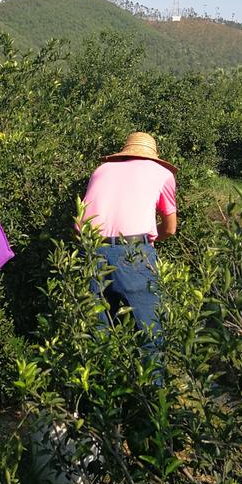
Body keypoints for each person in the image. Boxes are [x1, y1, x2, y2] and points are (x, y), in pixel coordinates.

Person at [81, 132, 178, 369]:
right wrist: (151, 241)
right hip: (132, 253)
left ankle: (103, 398)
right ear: (153, 156)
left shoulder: (100, 170)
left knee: (98, 336)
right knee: (150, 335)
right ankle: (152, 401)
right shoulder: (163, 174)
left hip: (91, 250)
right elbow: (171, 228)